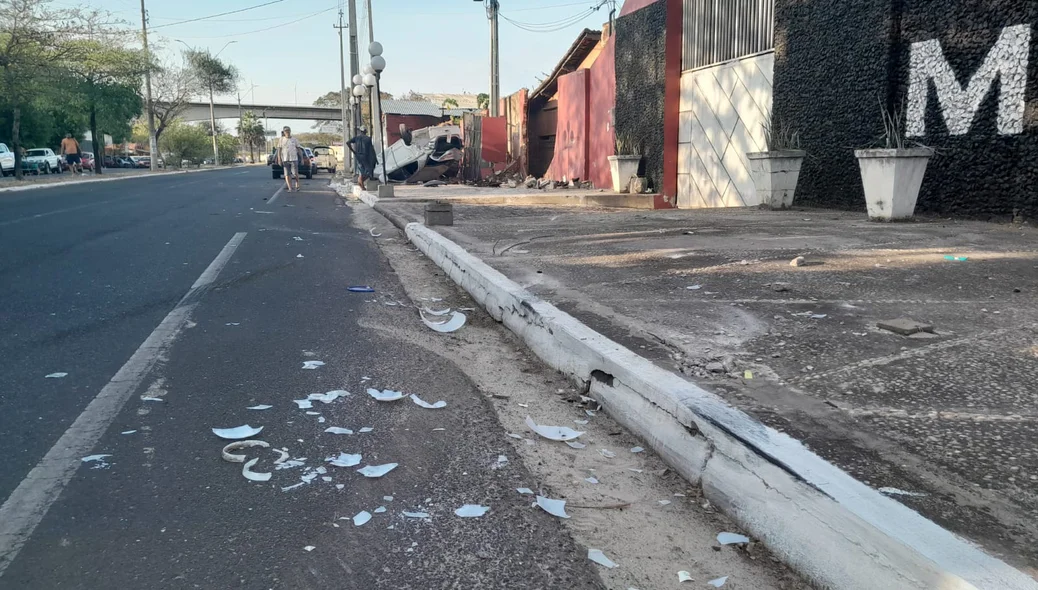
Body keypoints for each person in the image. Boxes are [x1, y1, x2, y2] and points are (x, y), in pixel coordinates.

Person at [277, 126, 302, 192]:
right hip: (285, 159)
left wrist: (301, 158)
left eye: (288, 130)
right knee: (287, 174)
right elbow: (279, 150)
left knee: (295, 173)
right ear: (284, 132)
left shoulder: (294, 140)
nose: (287, 132)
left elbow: (299, 149)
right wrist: (279, 159)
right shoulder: (281, 140)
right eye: (286, 131)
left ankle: (297, 184)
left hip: (293, 159)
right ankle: (290, 188)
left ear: (290, 131)